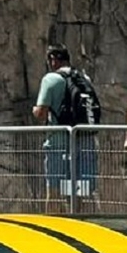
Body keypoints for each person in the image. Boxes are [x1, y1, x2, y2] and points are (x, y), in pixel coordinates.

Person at [31, 45, 98, 202]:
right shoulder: (84, 78)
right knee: (82, 191)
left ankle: (55, 225)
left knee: (55, 192)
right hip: (84, 141)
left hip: (58, 144)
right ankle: (83, 224)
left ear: (54, 60)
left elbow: (41, 114)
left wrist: (35, 110)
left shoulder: (50, 79)